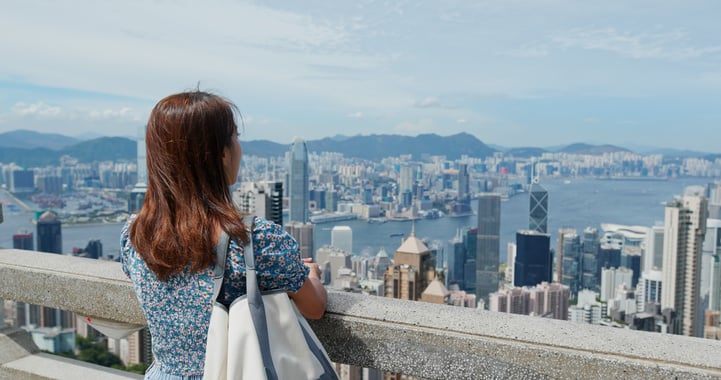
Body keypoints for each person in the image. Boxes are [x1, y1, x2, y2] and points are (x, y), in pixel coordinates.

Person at [120, 90, 327, 379]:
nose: (239, 148)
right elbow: (315, 307)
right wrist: (312, 275)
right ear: (222, 152)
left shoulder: (134, 237)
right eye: (235, 137)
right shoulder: (255, 241)